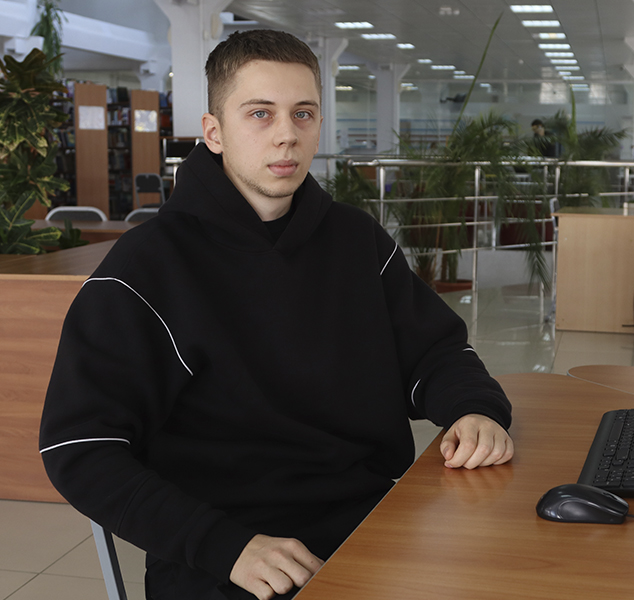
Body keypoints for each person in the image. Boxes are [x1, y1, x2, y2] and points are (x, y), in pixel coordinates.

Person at [39, 30, 513, 600]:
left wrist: (473, 408)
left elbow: (435, 351)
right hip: (224, 555)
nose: (287, 134)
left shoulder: (357, 241)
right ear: (214, 132)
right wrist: (224, 547)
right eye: (260, 113)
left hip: (373, 523)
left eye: (303, 113)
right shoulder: (144, 269)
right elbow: (78, 448)